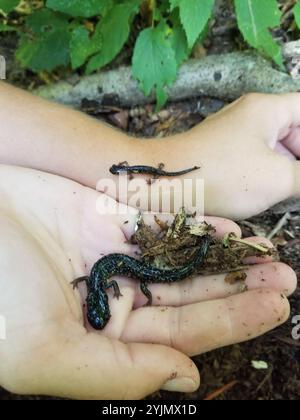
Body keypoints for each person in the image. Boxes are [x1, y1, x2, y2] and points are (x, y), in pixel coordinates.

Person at [0, 83, 298, 399]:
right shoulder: (97, 283)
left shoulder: (98, 283)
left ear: (94, 304)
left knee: (154, 275)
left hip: (134, 268)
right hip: (134, 267)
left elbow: (96, 280)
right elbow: (95, 279)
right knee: (153, 274)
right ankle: (194, 259)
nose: (99, 310)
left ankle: (195, 259)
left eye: (97, 312)